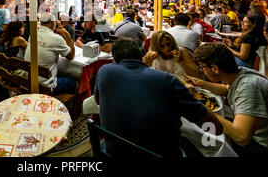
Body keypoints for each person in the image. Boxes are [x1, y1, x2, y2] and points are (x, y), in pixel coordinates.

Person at [94, 38, 222, 157]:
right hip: (158, 153)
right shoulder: (167, 80)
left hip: (113, 151)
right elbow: (215, 128)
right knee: (194, 144)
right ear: (141, 55)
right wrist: (190, 96)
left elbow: (98, 100)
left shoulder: (105, 71)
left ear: (114, 60)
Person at [186, 43, 268, 157]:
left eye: (201, 68)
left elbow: (241, 137)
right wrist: (199, 83)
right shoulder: (240, 73)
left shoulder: (248, 86)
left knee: (207, 141)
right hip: (262, 134)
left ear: (214, 68)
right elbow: (226, 88)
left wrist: (201, 108)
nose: (201, 71)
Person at [24, 13, 76, 94]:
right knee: (73, 82)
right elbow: (71, 56)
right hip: (44, 86)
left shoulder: (33, 34)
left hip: (27, 80)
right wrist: (67, 35)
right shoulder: (57, 39)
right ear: (52, 23)